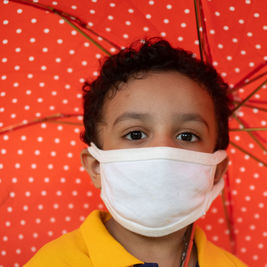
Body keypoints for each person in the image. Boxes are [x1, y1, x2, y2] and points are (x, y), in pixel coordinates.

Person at [25, 38, 247, 267]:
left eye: (187, 136)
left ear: (217, 171)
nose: (162, 150)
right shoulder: (53, 262)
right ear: (95, 167)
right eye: (135, 134)